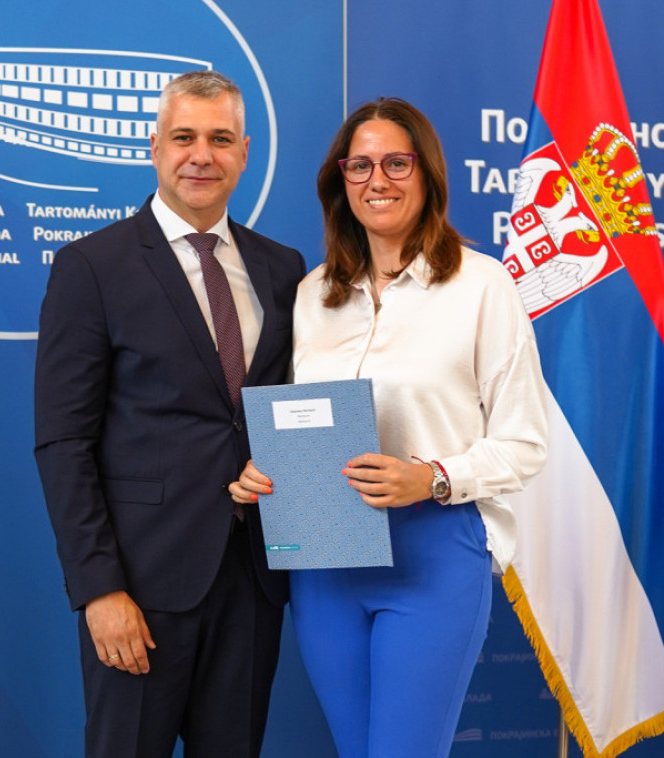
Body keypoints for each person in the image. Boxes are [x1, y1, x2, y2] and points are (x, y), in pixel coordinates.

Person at [232, 97, 549, 757]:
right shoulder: (312, 294)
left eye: (396, 163)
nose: (377, 180)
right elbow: (294, 421)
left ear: (427, 174)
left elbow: (525, 443)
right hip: (324, 561)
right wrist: (265, 472)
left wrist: (432, 477)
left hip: (432, 554)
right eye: (360, 166)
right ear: (341, 182)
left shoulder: (482, 286)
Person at [34, 70, 306, 758]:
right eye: (184, 137)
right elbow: (63, 442)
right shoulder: (92, 266)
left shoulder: (283, 269)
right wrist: (100, 590)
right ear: (154, 147)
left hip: (253, 581)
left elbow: (286, 411)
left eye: (220, 139)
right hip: (140, 587)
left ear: (245, 151)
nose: (201, 156)